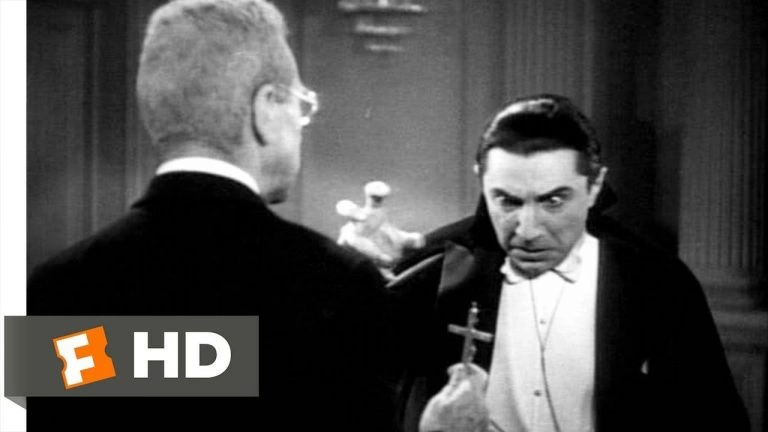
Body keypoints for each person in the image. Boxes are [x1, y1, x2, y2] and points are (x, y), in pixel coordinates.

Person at [26, 1, 398, 431]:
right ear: (266, 108)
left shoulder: (55, 288)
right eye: (301, 105)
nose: (300, 124)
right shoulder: (334, 286)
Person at [382, 94, 749, 431]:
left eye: (553, 201)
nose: (527, 231)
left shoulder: (656, 281)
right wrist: (362, 270)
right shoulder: (443, 271)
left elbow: (715, 419)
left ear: (595, 186)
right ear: (482, 181)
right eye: (507, 201)